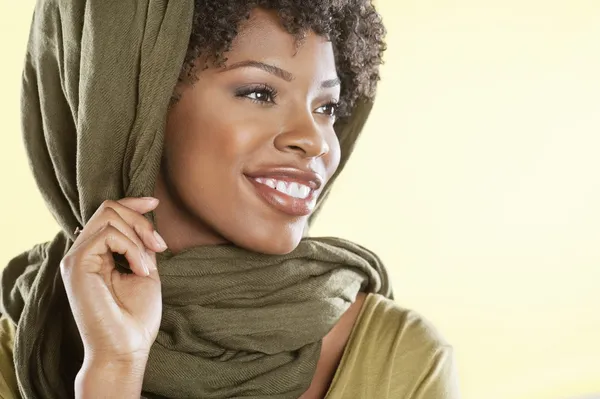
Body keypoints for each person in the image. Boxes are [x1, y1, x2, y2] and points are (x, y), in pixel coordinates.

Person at [0, 0, 460, 398]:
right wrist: (112, 369)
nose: (316, 141)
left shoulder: (399, 356)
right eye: (260, 93)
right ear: (138, 102)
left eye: (326, 107)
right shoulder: (20, 355)